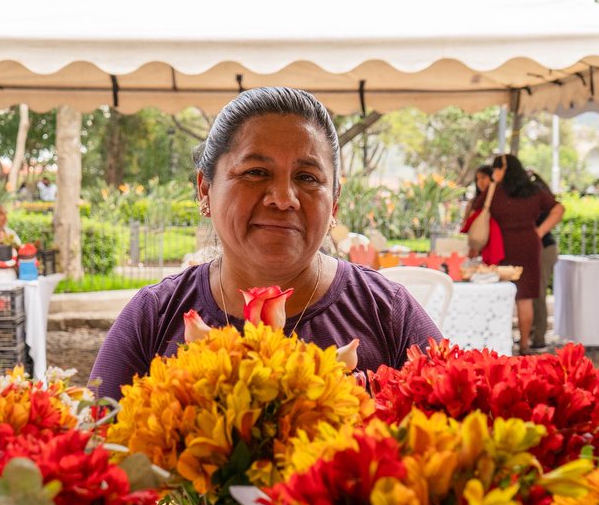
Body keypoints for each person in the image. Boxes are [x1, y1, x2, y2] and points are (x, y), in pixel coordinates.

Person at [89, 86, 440, 401]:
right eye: (255, 172)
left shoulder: (388, 312)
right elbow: (98, 441)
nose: (284, 199)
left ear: (334, 203)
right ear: (205, 189)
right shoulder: (153, 317)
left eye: (307, 177)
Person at [476, 154, 564, 356]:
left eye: (496, 168)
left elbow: (476, 207)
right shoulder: (533, 190)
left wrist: (492, 184)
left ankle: (500, 341)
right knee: (525, 298)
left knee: (499, 293)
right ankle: (524, 344)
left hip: (500, 246)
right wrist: (539, 231)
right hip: (529, 245)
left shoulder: (495, 191)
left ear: (503, 170)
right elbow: (558, 209)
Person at [528, 169, 562, 351]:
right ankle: (534, 332)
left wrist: (538, 233)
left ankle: (539, 336)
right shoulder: (539, 196)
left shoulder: (537, 198)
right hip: (543, 248)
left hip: (544, 249)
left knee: (539, 293)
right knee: (534, 293)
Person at [460, 165, 504, 265]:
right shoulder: (473, 203)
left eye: (483, 177)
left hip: (494, 247)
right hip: (475, 250)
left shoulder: (498, 201)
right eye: (477, 179)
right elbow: (466, 224)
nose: (480, 182)